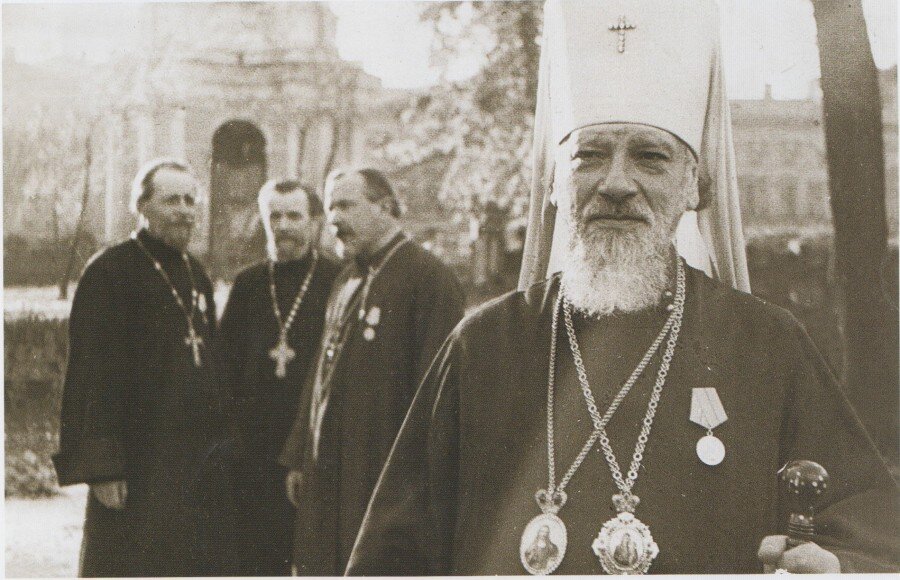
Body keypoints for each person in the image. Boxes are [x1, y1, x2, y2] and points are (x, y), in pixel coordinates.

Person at [347, 1, 898, 574]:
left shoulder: (768, 345)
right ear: (556, 185)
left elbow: (870, 522)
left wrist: (835, 564)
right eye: (588, 155)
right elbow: (392, 555)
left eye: (650, 156)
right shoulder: (480, 345)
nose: (615, 183)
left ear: (696, 188)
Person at [278, 167, 465, 575]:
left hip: (384, 477)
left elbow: (437, 395)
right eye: (329, 208)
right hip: (327, 468)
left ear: (386, 208)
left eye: (345, 205)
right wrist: (299, 456)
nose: (334, 220)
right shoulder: (345, 279)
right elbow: (318, 377)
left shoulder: (430, 280)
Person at [53, 159, 233, 576]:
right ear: (143, 206)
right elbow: (90, 375)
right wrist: (102, 466)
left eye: (191, 200)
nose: (185, 210)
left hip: (194, 458)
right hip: (137, 459)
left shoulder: (196, 273)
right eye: (172, 200)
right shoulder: (110, 270)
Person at [217, 180, 341, 575]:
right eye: (275, 215)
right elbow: (224, 369)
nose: (283, 225)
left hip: (312, 447)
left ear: (315, 222)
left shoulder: (337, 280)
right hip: (252, 452)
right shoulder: (249, 283)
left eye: (294, 216)